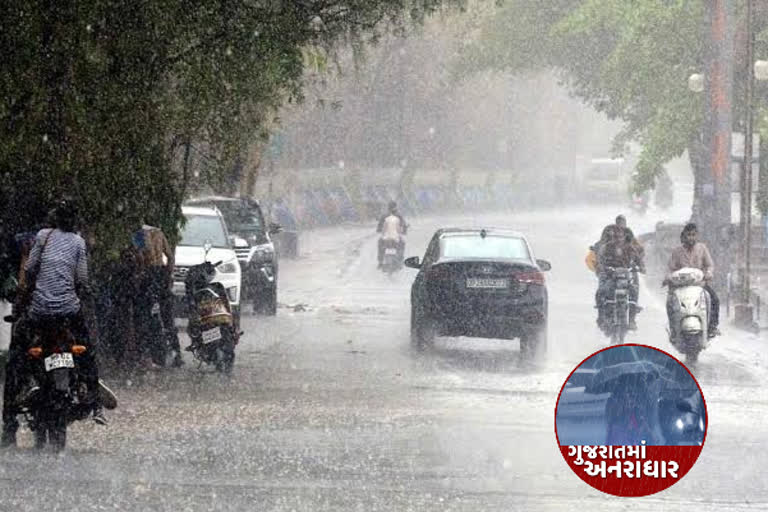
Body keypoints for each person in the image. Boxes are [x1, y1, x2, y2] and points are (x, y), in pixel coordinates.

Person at [2, 201, 105, 447]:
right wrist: (81, 290)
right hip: (69, 312)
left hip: (39, 313)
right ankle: (93, 396)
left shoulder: (43, 237)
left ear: (55, 220)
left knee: (17, 359)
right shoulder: (79, 242)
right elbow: (81, 278)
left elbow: (30, 268)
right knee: (87, 349)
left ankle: (9, 422)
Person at [132, 219, 183, 367]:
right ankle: (176, 353)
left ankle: (146, 354)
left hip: (148, 275)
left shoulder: (138, 234)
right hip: (160, 274)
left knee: (145, 316)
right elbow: (170, 257)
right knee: (167, 316)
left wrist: (140, 276)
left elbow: (141, 258)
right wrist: (167, 275)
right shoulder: (159, 233)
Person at [666, 223, 720, 337]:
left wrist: (709, 273)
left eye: (693, 235)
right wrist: (669, 278)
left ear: (697, 236)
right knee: (670, 302)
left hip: (699, 285)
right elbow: (670, 268)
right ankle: (673, 330)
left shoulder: (702, 248)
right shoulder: (677, 251)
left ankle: (712, 327)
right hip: (681, 286)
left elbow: (710, 265)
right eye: (688, 235)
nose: (691, 237)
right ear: (684, 236)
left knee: (714, 299)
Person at [596, 225, 644, 330]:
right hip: (611, 276)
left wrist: (641, 267)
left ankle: (631, 320)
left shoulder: (630, 247)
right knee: (601, 291)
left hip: (625, 277)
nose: (618, 239)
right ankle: (603, 317)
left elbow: (638, 259)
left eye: (620, 237)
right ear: (613, 237)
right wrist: (602, 267)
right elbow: (599, 259)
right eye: (616, 237)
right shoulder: (606, 247)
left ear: (624, 237)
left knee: (634, 291)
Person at [376, 201, 407, 268]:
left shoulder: (384, 216)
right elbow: (403, 226)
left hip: (385, 238)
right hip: (396, 238)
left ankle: (380, 262)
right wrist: (404, 231)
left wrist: (380, 230)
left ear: (388, 207)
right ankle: (400, 261)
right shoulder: (399, 216)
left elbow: (379, 228)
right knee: (402, 244)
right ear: (396, 207)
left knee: (380, 244)